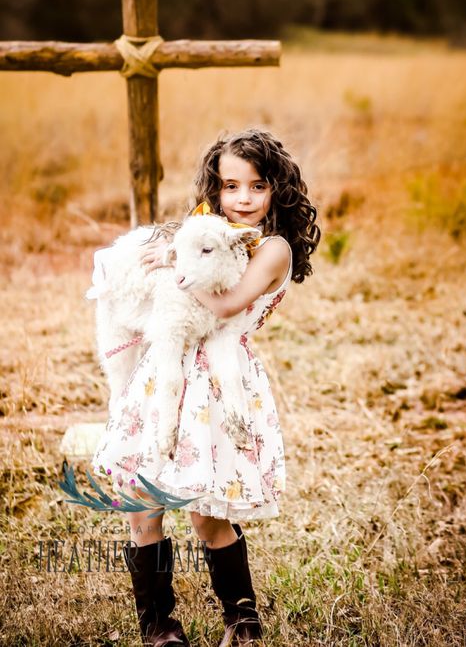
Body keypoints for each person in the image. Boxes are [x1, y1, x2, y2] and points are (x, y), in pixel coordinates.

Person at [91, 128, 320, 647]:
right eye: (230, 186)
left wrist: (176, 260)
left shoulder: (274, 248)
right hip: (163, 373)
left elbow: (225, 304)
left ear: (276, 190)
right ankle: (158, 625)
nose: (242, 199)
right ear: (215, 189)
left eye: (257, 187)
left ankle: (242, 624)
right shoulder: (203, 232)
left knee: (206, 516)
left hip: (217, 385)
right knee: (143, 503)